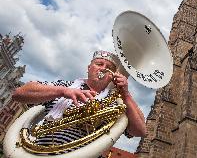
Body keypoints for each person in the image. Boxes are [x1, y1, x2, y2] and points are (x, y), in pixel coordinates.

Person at [12, 50, 146, 155]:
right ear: (89, 68)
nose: (103, 68)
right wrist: (63, 92)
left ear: (112, 76)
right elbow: (18, 94)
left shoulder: (115, 102)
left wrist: (126, 94)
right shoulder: (65, 85)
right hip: (40, 152)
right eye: (99, 64)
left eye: (109, 67)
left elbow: (140, 131)